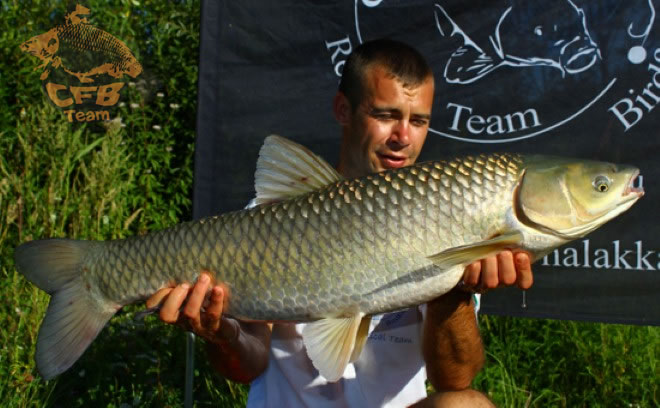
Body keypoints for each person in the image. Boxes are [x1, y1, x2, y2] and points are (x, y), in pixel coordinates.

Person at [146, 39, 533, 407]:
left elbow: (453, 378)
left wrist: (455, 292)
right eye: (385, 115)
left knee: (468, 403)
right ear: (343, 110)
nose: (403, 137)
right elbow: (247, 366)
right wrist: (222, 333)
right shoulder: (273, 215)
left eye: (418, 121)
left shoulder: (444, 211)